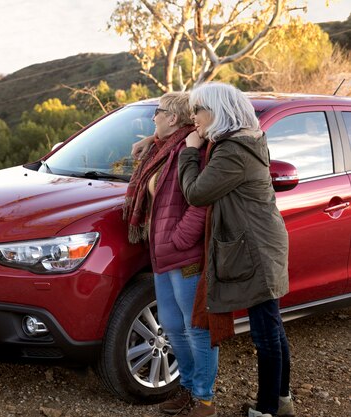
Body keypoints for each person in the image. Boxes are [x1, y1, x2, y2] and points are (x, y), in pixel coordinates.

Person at [177, 82, 294, 417]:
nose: (194, 117)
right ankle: (282, 402)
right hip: (261, 242)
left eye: (198, 109)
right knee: (272, 326)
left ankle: (268, 409)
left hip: (255, 249)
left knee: (266, 332)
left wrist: (189, 150)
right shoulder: (244, 140)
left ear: (218, 111)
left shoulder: (233, 151)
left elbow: (197, 193)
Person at [124, 92, 219, 417]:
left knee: (196, 328)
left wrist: (179, 239)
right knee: (171, 324)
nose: (153, 117)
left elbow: (201, 201)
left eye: (158, 112)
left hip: (184, 253)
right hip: (162, 252)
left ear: (174, 118)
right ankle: (189, 388)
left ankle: (205, 401)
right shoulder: (164, 149)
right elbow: (160, 140)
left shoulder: (192, 150)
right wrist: (150, 140)